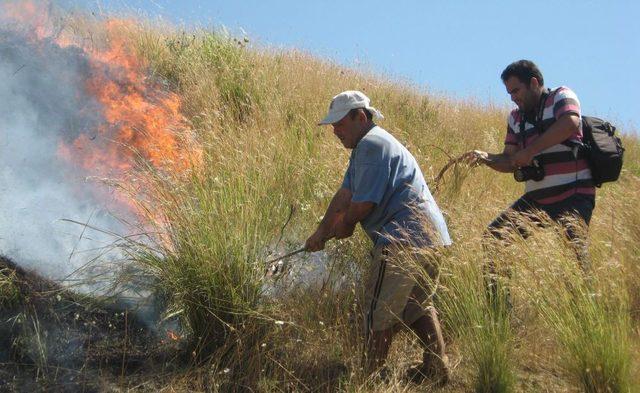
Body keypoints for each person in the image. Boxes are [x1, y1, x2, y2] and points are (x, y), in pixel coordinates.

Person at [305, 90, 452, 383]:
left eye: (340, 124)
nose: (335, 131)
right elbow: (344, 196)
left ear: (360, 117)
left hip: (402, 239)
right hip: (430, 236)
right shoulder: (369, 147)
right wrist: (321, 232)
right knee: (416, 304)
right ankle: (437, 368)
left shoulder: (371, 145)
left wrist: (344, 226)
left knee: (378, 311)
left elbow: (362, 205)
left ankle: (365, 379)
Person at [466, 60, 595, 288]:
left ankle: (587, 313)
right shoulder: (515, 118)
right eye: (509, 93)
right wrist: (485, 157)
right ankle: (498, 315)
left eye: (516, 90)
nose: (513, 97)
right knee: (495, 237)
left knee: (573, 257)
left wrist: (531, 151)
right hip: (537, 201)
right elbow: (510, 160)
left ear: (534, 83)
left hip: (573, 195)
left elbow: (570, 123)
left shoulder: (561, 96)